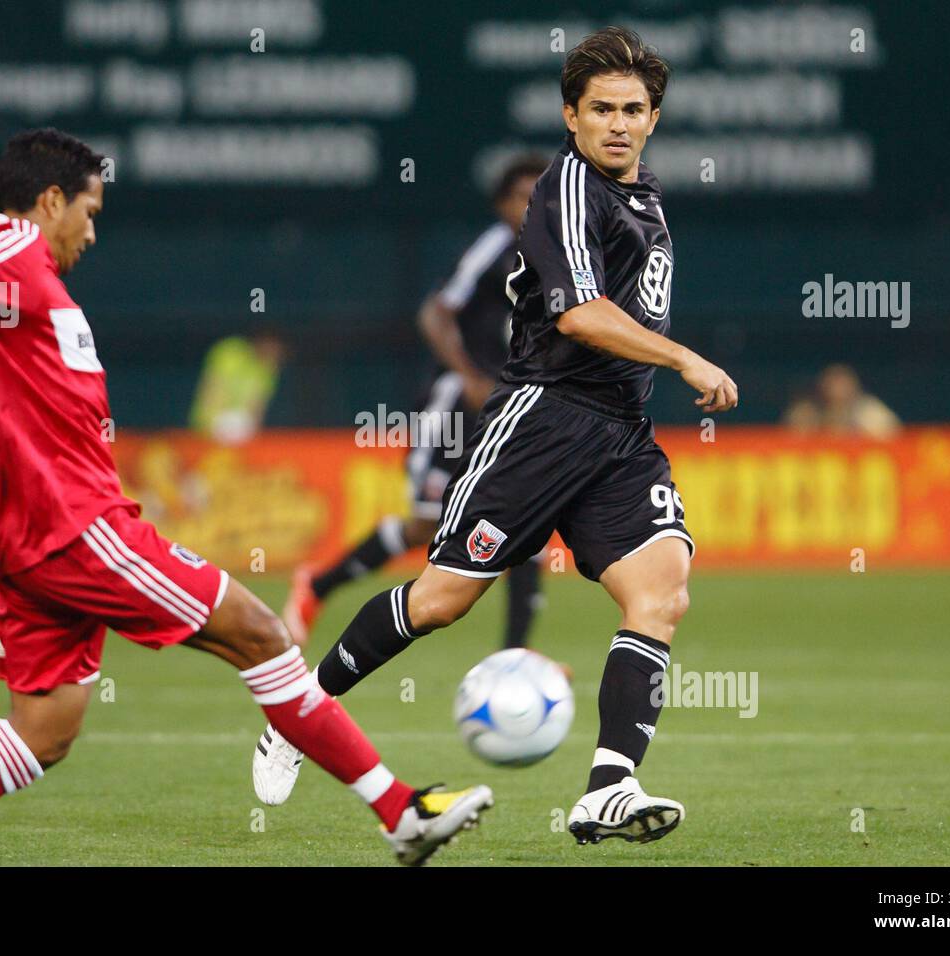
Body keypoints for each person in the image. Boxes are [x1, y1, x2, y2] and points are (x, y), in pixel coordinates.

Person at [0, 128, 491, 867]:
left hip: (27, 537)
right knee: (262, 635)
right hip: (75, 526)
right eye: (88, 212)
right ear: (51, 200)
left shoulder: (13, 294)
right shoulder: (9, 256)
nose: (92, 233)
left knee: (43, 731)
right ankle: (400, 811)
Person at [255, 28, 739, 848]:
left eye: (633, 110)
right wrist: (685, 357)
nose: (617, 124)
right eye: (600, 110)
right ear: (571, 115)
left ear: (653, 118)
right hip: (543, 421)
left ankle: (609, 789)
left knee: (662, 593)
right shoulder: (568, 189)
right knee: (442, 600)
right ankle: (299, 713)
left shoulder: (644, 192)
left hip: (620, 433)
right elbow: (579, 314)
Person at [281, 154, 547, 652]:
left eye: (541, 193)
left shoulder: (555, 254)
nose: (532, 204)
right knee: (427, 521)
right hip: (457, 404)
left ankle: (515, 656)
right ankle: (316, 586)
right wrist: (468, 375)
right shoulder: (494, 247)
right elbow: (434, 312)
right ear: (501, 204)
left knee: (528, 515)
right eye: (521, 195)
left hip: (513, 409)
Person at [188, 328, 285, 443]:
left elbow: (257, 406)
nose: (274, 355)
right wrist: (213, 423)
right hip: (207, 428)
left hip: (239, 432)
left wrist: (249, 431)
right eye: (272, 349)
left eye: (277, 353)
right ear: (261, 343)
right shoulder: (231, 351)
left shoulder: (269, 367)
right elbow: (213, 389)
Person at [783, 363, 900, 438]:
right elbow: (789, 440)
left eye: (842, 384)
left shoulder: (869, 410)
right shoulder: (807, 411)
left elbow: (893, 437)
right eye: (832, 385)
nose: (837, 390)